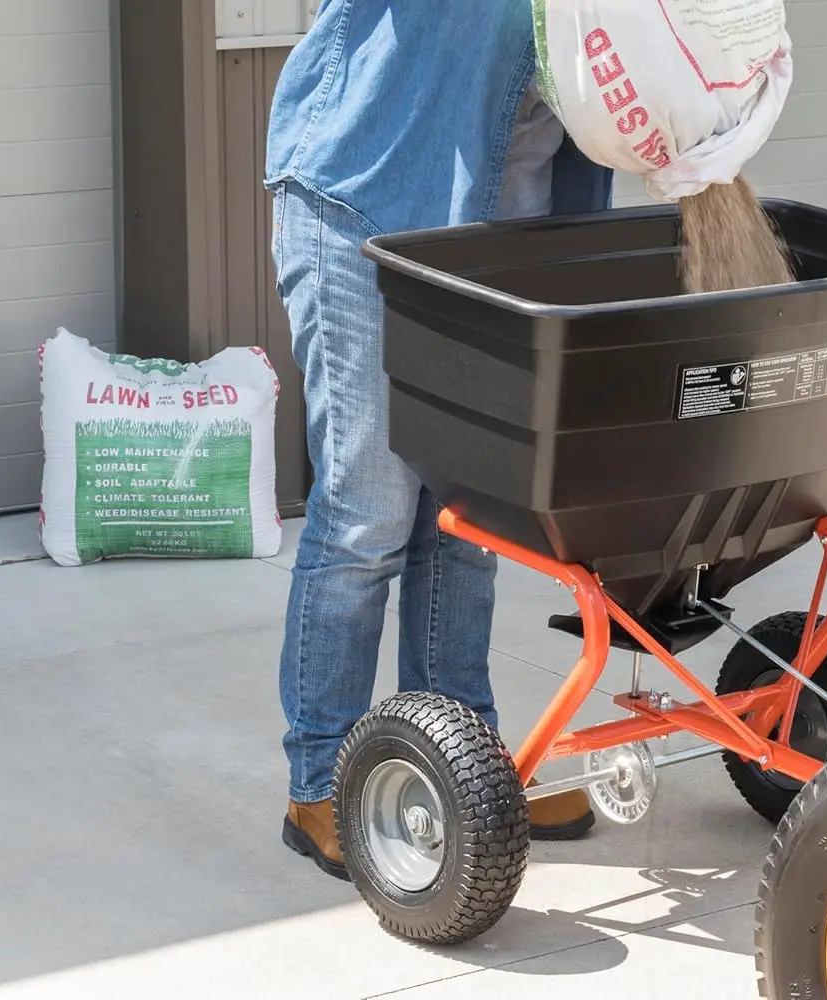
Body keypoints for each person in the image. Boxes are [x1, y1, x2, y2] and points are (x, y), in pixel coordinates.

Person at [264, 0, 614, 880]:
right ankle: (324, 786)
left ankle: (461, 774)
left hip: (493, 250)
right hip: (367, 210)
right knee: (368, 518)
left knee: (466, 523)